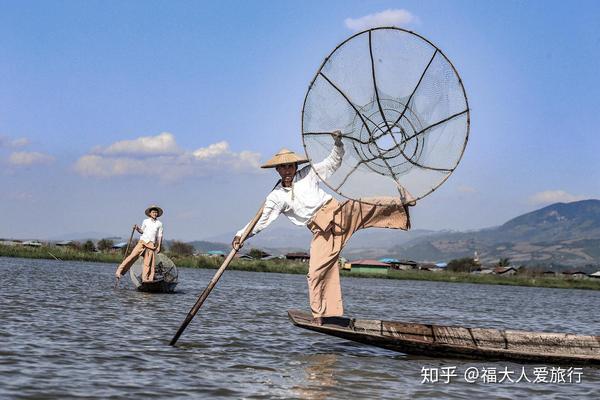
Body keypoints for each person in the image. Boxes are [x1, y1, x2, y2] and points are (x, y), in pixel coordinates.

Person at [232, 131, 414, 324]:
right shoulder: (276, 197)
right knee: (316, 272)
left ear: (294, 166)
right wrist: (241, 236)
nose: (287, 170)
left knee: (366, 205)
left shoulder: (308, 173)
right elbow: (261, 220)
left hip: (338, 212)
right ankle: (321, 315)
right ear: (277, 170)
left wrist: (337, 142)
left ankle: (402, 204)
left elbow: (332, 162)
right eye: (282, 167)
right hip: (322, 230)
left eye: (289, 166)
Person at [115, 205, 164, 283]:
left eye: (156, 212)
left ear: (157, 214)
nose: (155, 213)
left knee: (148, 264)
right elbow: (142, 231)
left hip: (151, 245)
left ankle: (146, 279)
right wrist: (137, 228)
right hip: (142, 242)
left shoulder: (159, 224)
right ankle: (119, 272)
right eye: (153, 212)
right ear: (150, 213)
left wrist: (159, 246)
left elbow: (159, 236)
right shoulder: (145, 221)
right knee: (132, 256)